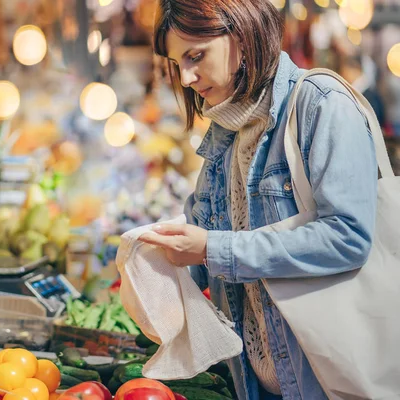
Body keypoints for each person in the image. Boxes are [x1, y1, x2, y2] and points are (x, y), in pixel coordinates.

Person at [139, 1, 378, 399]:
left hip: (325, 383)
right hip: (257, 382)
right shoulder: (226, 131)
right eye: (177, 62)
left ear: (243, 35)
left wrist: (212, 249)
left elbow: (348, 236)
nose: (186, 77)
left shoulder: (321, 103)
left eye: (196, 56)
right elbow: (201, 240)